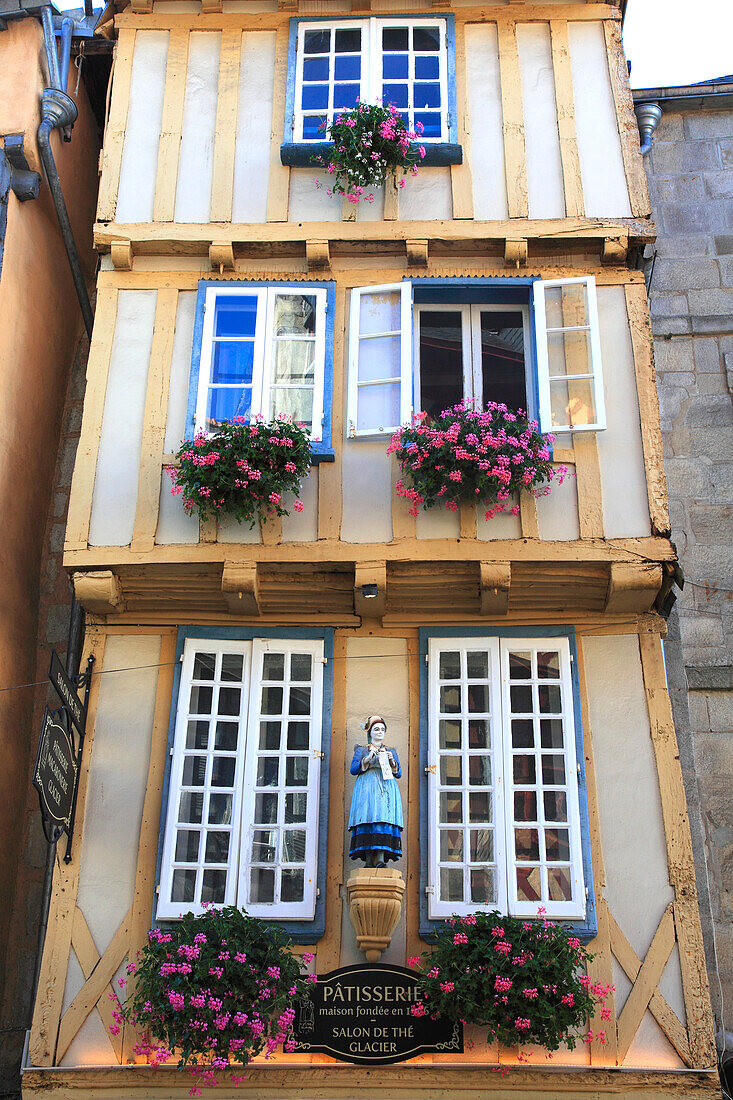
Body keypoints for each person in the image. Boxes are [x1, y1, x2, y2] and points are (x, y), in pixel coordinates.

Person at [348, 715, 403, 867]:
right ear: (370, 732)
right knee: (368, 817)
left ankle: (380, 858)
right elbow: (353, 770)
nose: (379, 732)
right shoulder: (362, 750)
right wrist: (366, 760)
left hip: (386, 789)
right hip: (367, 788)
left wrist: (392, 762)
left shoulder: (390, 750)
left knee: (382, 818)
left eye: (382, 730)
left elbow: (398, 773)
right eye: (376, 729)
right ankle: (368, 859)